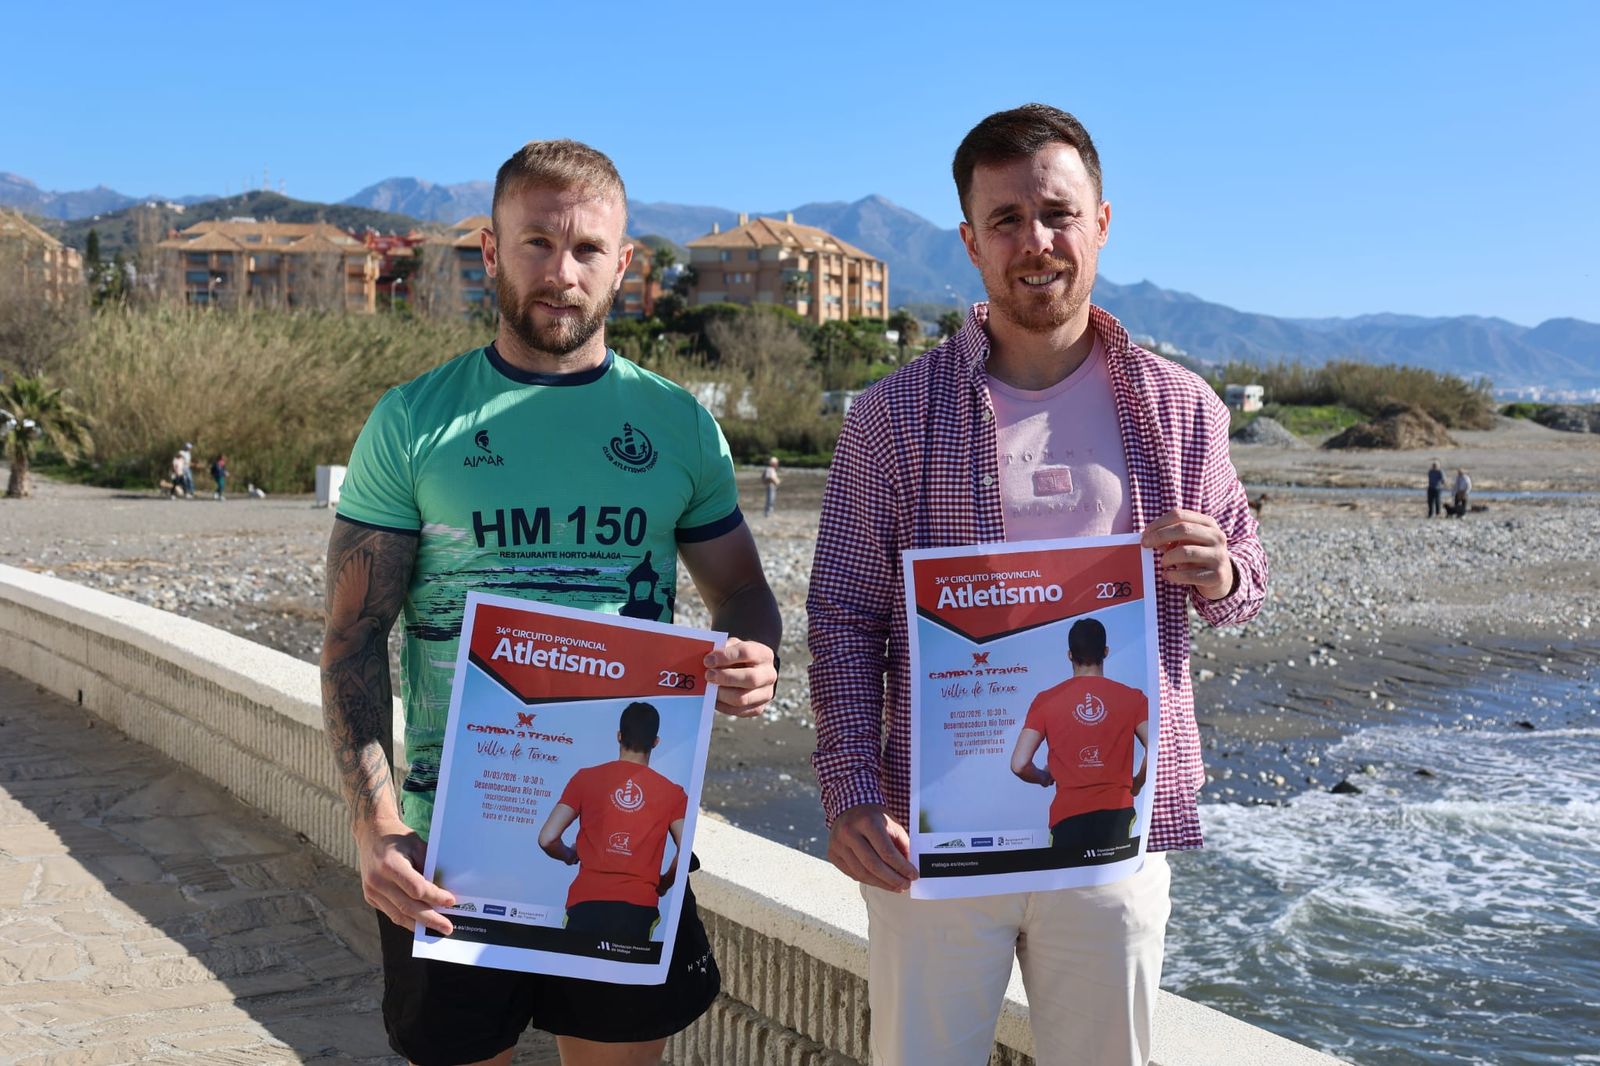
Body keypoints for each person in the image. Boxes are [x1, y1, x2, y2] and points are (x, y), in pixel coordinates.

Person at [808, 104, 1267, 1066]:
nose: (1037, 242)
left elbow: (1244, 589)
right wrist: (850, 794)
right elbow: (844, 619)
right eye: (1007, 221)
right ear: (971, 242)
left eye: (1057, 213)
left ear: (1101, 222)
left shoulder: (1181, 408)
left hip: (1111, 852)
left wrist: (1220, 567)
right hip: (931, 843)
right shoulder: (893, 415)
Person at [321, 138, 781, 1066]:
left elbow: (739, 589)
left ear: (624, 265)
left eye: (586, 251)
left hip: (626, 837)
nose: (560, 274)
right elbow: (353, 638)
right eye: (535, 243)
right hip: (446, 841)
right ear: (490, 252)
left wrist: (752, 652)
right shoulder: (413, 419)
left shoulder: (677, 425)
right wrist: (374, 825)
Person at [539, 702, 687, 944]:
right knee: (623, 979)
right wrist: (665, 883)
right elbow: (685, 850)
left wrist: (568, 855)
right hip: (639, 907)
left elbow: (547, 838)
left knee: (577, 978)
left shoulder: (584, 779)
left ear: (619, 736)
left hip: (585, 902)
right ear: (656, 742)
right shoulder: (674, 793)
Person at [1010, 618, 1149, 864]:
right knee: (1110, 889)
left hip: (1067, 817)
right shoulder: (1134, 698)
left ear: (1069, 654)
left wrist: (1043, 777)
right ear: (1105, 652)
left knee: (1069, 894)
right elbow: (1158, 748)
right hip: (1117, 812)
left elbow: (1019, 764)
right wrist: (1137, 782)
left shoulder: (1045, 700)